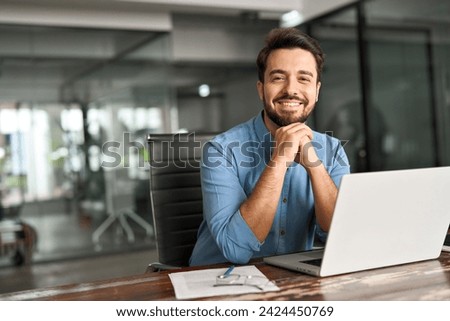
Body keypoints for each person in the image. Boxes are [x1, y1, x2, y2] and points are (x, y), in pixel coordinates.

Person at [189, 27, 350, 266]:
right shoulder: (221, 150)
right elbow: (235, 249)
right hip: (216, 281)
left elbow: (340, 236)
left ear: (316, 91)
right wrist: (280, 160)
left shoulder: (333, 150)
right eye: (278, 77)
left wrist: (315, 166)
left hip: (290, 279)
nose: (291, 90)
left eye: (304, 78)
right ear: (261, 88)